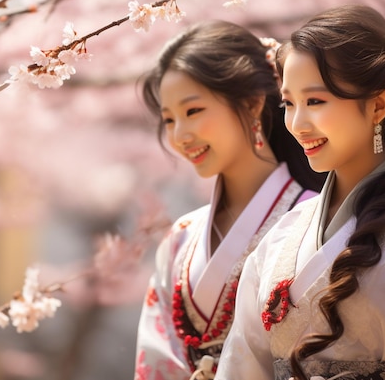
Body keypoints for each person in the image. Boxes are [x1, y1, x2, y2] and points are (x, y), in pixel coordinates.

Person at [215, 4, 385, 380]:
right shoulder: (281, 237)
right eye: (288, 103)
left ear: (378, 104)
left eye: (315, 101)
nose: (297, 124)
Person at [133, 20, 326, 380]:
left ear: (252, 103)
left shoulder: (314, 223)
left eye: (192, 111)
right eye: (169, 119)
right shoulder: (180, 238)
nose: (180, 135)